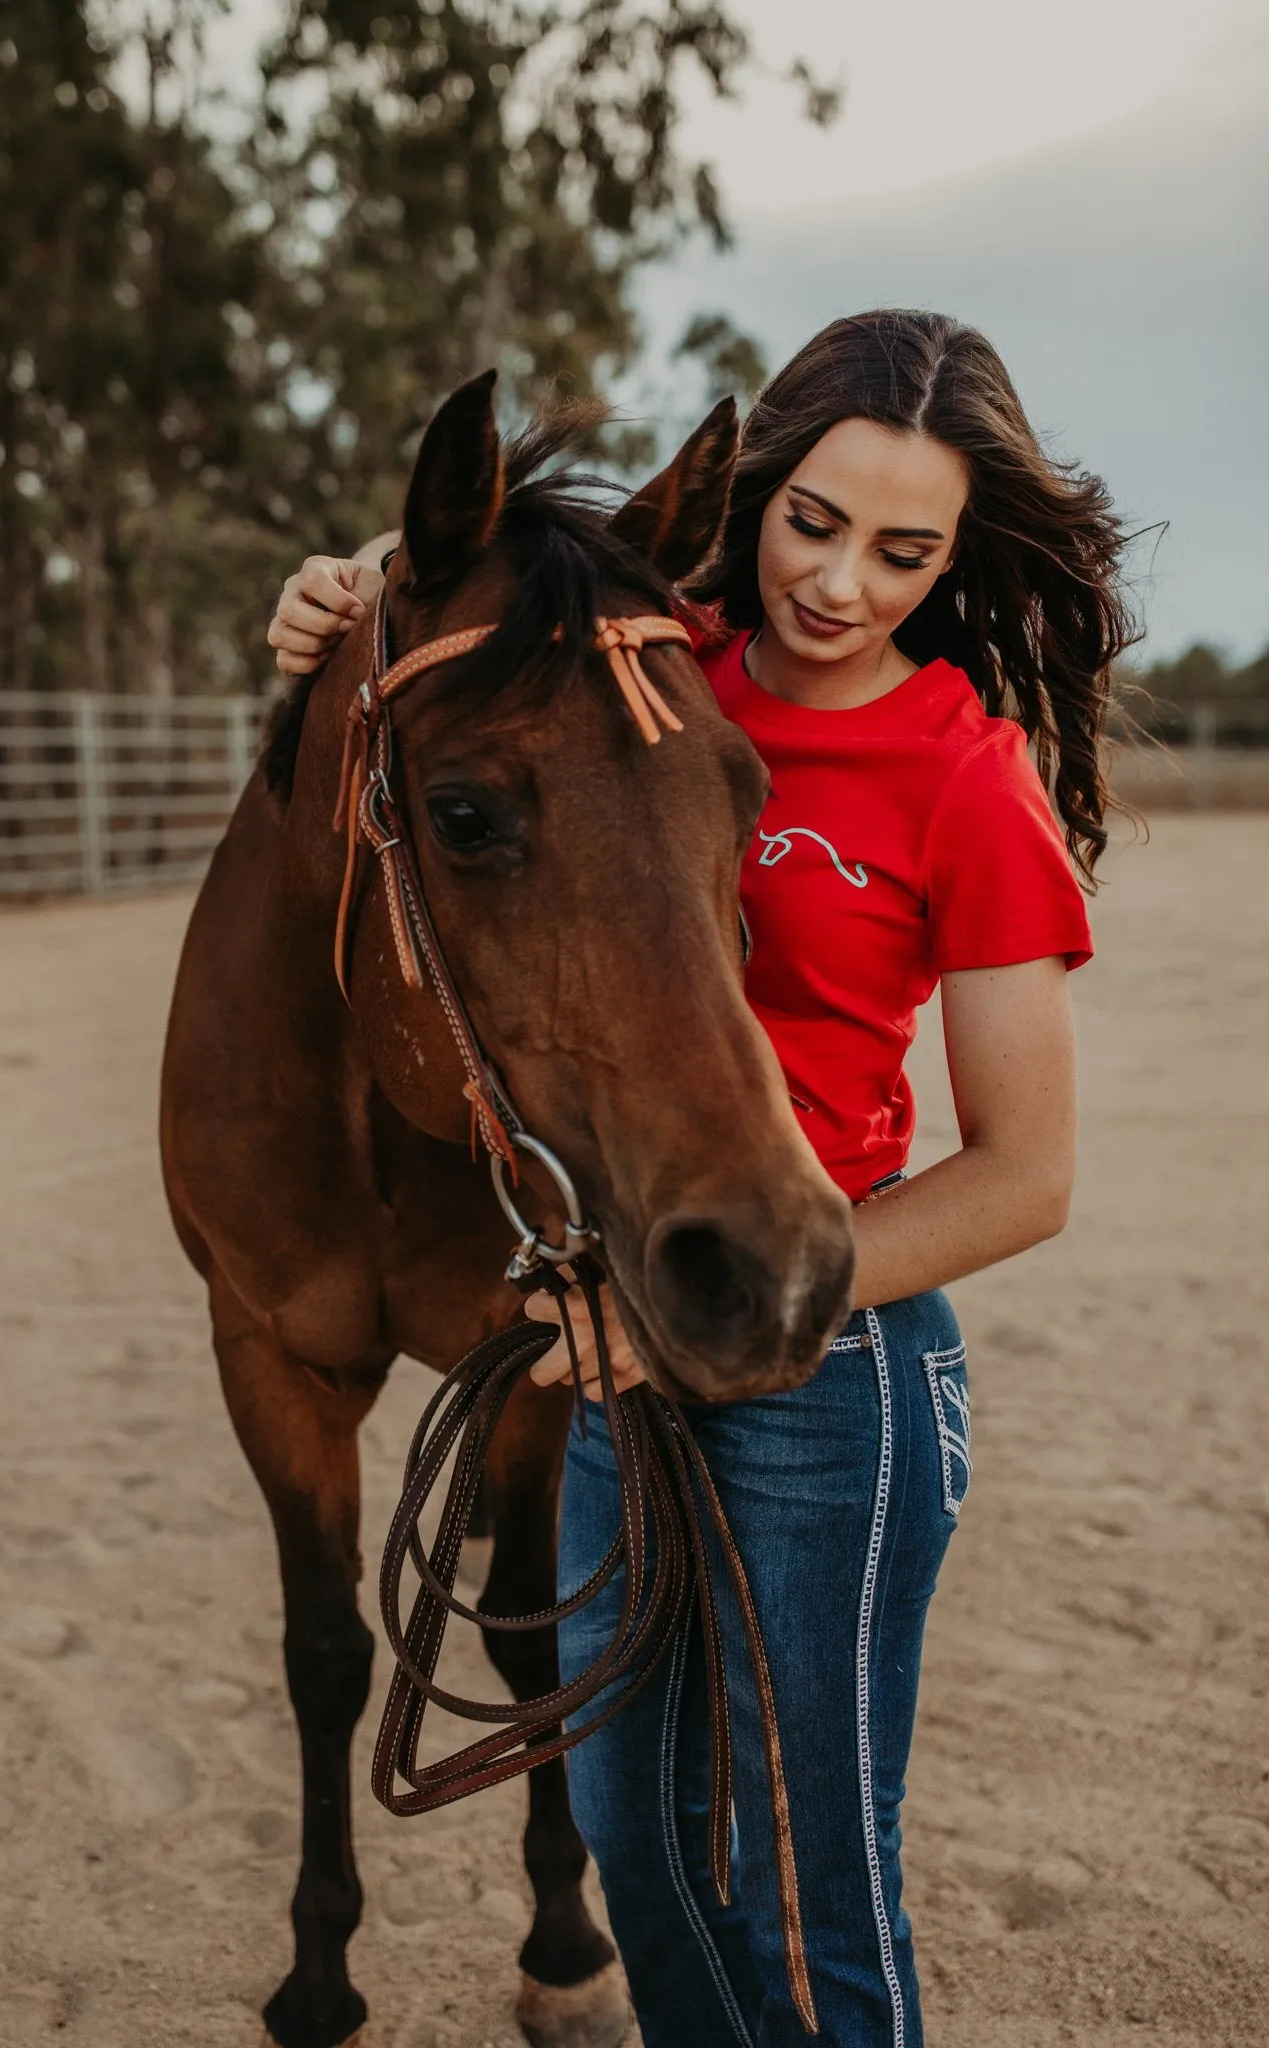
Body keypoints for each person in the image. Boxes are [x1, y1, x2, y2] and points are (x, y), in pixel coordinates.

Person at [266, 309, 1132, 2047]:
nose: (840, 586)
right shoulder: (668, 667)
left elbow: (1028, 1174)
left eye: (907, 552)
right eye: (812, 521)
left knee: (801, 1891)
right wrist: (355, 578)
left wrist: (681, 1338)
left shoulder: (967, 773)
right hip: (620, 1343)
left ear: (955, 561)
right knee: (636, 1852)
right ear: (757, 489)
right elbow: (479, 616)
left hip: (828, 1357)